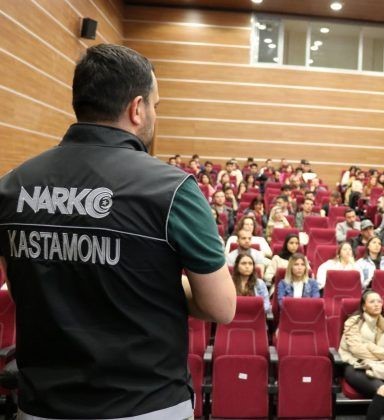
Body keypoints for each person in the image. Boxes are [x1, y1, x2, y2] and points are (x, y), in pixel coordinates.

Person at [0, 44, 236, 419]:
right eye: (156, 106)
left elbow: (19, 284)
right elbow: (219, 306)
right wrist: (152, 282)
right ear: (137, 108)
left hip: (43, 405)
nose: (155, 114)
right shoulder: (172, 190)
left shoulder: (11, 186)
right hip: (146, 404)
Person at [338, 290, 384, 420]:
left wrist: (371, 348)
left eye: (379, 301)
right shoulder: (353, 322)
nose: (377, 304)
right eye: (372, 301)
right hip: (357, 366)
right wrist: (382, 354)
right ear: (364, 306)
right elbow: (356, 350)